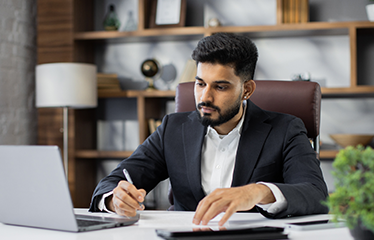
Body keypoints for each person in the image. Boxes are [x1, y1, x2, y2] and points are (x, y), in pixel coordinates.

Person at [89, 32, 328, 225]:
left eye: (220, 87)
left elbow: (316, 194)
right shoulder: (173, 128)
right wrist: (114, 200)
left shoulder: (285, 129)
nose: (205, 97)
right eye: (200, 83)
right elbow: (113, 182)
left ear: (247, 90)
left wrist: (256, 192)